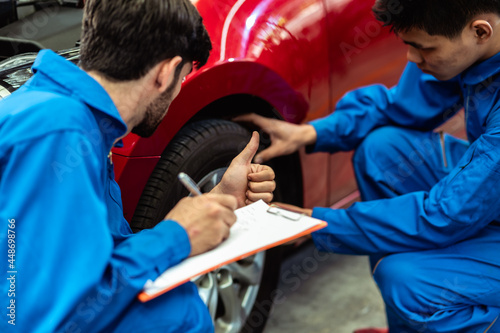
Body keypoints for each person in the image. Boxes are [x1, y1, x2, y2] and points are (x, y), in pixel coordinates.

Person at [0, 0, 276, 332]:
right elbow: (44, 316)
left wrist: (220, 198)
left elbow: (96, 255)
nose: (175, 96)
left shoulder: (76, 120)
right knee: (177, 311)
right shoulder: (59, 130)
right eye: (183, 78)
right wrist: (177, 235)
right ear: (165, 72)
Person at [236, 0, 500, 331]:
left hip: (477, 204)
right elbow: (400, 106)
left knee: (407, 281)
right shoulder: (477, 49)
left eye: (423, 48)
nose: (412, 59)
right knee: (382, 152)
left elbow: (447, 214)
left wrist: (316, 224)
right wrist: (310, 132)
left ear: (480, 31)